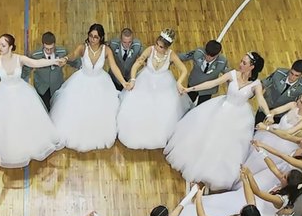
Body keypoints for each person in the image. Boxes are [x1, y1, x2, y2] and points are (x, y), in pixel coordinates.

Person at [166, 51, 275, 190]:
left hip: (238, 118)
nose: (240, 64)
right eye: (242, 61)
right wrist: (190, 89)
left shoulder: (256, 84)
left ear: (252, 67)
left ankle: (209, 173)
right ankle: (196, 165)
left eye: (244, 63)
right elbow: (212, 82)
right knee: (206, 136)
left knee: (224, 146)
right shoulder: (233, 74)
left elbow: (260, 99)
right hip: (220, 109)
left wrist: (268, 114)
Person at [0, 34, 66, 168]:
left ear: (11, 47)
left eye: (3, 45)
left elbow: (36, 63)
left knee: (23, 121)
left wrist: (53, 61)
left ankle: (25, 145)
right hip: (3, 96)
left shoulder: (20, 58)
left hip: (21, 94)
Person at [48, 23, 131, 152]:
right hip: (82, 81)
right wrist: (65, 58)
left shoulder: (106, 50)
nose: (93, 39)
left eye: (96, 37)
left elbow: (114, 67)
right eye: (91, 36)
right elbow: (73, 55)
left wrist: (124, 82)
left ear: (101, 38)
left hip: (101, 84)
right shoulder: (83, 48)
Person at [116, 28, 191, 149]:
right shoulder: (150, 50)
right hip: (145, 81)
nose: (157, 47)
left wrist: (179, 82)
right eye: (157, 44)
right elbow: (137, 64)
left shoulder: (171, 55)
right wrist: (133, 79)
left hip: (163, 86)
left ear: (166, 48)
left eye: (160, 46)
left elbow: (184, 70)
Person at [25, 31, 68, 108]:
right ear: (43, 45)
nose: (49, 51)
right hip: (42, 89)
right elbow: (26, 70)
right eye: (46, 49)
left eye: (51, 48)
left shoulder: (62, 52)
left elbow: (75, 61)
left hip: (57, 88)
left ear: (54, 44)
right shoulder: (35, 55)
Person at [178, 39, 228, 104]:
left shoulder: (222, 62)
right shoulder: (198, 52)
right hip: (193, 84)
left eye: (211, 56)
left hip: (207, 91)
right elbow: (183, 56)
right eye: (207, 54)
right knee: (186, 104)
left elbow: (229, 75)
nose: (208, 57)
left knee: (201, 109)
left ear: (217, 54)